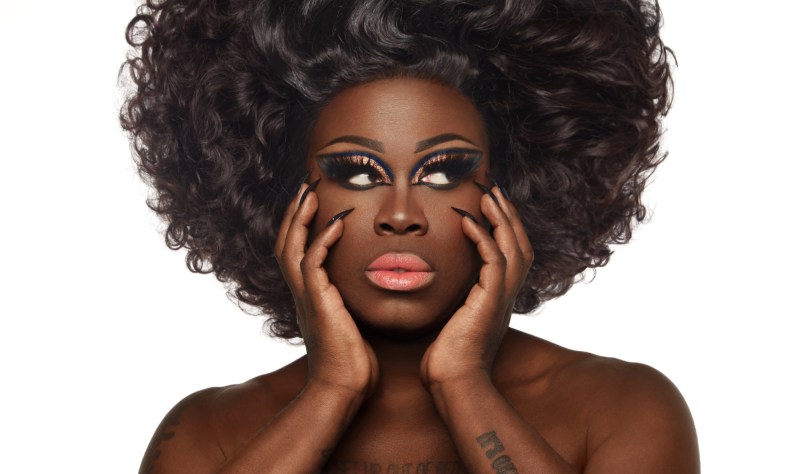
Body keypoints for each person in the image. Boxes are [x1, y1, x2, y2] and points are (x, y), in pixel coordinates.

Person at [121, 0, 699, 472]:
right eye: (357, 172)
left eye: (443, 172)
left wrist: (463, 383)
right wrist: (332, 390)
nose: (400, 215)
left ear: (511, 195)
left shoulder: (622, 410)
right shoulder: (208, 433)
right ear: (286, 198)